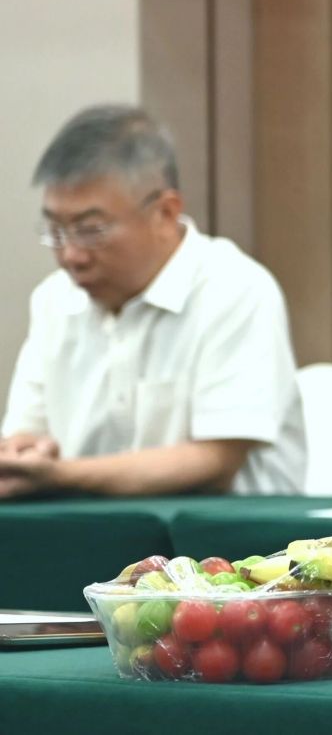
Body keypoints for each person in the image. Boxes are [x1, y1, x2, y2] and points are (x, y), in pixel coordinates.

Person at [0, 105, 305, 497]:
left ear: (165, 212)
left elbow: (215, 461)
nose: (71, 255)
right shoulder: (54, 299)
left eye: (90, 230)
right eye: (56, 230)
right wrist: (25, 453)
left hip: (226, 532)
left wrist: (60, 474)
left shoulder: (235, 289)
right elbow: (27, 433)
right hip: (90, 525)